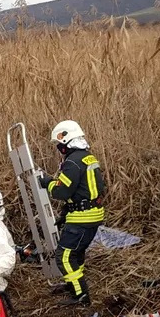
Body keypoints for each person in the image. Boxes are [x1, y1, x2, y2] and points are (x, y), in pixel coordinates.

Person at [38, 120, 107, 306]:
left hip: (82, 218)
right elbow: (83, 190)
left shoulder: (72, 162)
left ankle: (80, 295)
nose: (58, 149)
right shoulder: (87, 157)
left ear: (65, 141)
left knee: (64, 256)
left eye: (58, 144)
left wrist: (48, 183)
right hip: (91, 214)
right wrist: (66, 213)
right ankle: (73, 284)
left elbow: (61, 192)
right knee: (76, 254)